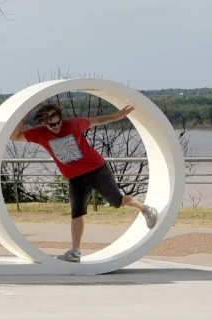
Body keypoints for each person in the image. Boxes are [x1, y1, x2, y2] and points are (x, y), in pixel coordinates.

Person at [12, 101, 160, 262]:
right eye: (51, 124)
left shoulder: (73, 124)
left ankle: (146, 209)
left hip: (96, 170)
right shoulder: (39, 133)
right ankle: (75, 252)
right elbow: (15, 136)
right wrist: (22, 117)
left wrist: (117, 116)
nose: (56, 127)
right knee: (77, 212)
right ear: (43, 123)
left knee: (117, 201)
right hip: (75, 177)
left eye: (58, 122)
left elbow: (99, 120)